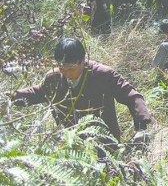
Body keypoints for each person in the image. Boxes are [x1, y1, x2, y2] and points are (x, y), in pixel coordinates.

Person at [7, 37, 152, 143]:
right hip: (71, 142)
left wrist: (141, 127)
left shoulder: (103, 75)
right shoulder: (54, 79)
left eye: (71, 68)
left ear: (83, 60)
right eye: (62, 68)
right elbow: (37, 93)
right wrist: (8, 98)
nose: (67, 73)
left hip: (106, 142)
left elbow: (132, 96)